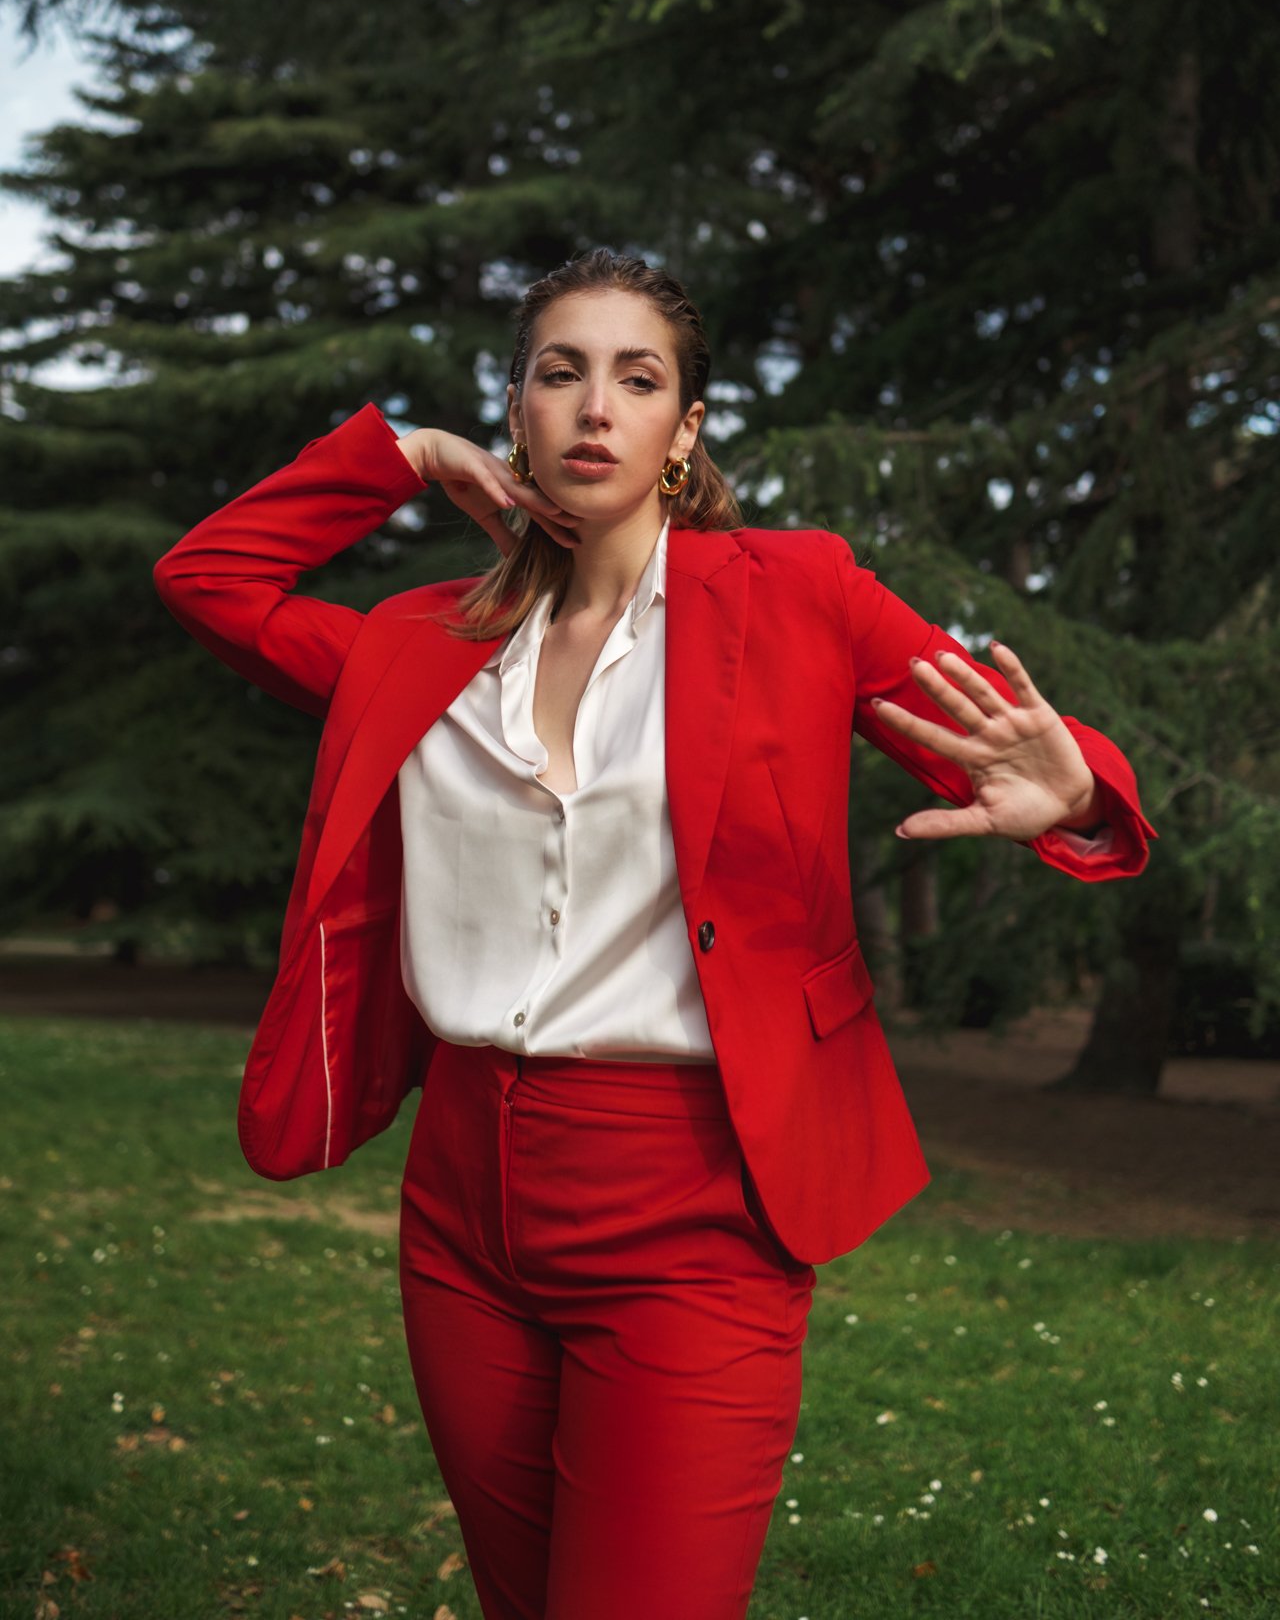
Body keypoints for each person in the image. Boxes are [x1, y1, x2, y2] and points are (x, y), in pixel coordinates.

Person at [152, 247, 1156, 1620]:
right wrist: (400, 454)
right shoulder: (414, 642)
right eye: (558, 374)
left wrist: (1078, 789)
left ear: (684, 431)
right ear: (518, 412)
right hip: (462, 1201)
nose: (594, 408)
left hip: (694, 1201)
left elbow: (1017, 742)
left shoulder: (797, 595)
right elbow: (210, 580)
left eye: (638, 379)